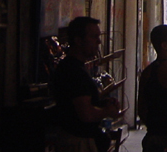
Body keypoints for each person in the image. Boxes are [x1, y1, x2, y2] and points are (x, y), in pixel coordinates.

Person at [51, 16, 120, 152]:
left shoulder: (76, 68)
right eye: (94, 37)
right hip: (77, 143)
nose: (98, 42)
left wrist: (101, 104)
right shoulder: (73, 71)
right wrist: (108, 111)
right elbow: (85, 114)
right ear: (78, 40)